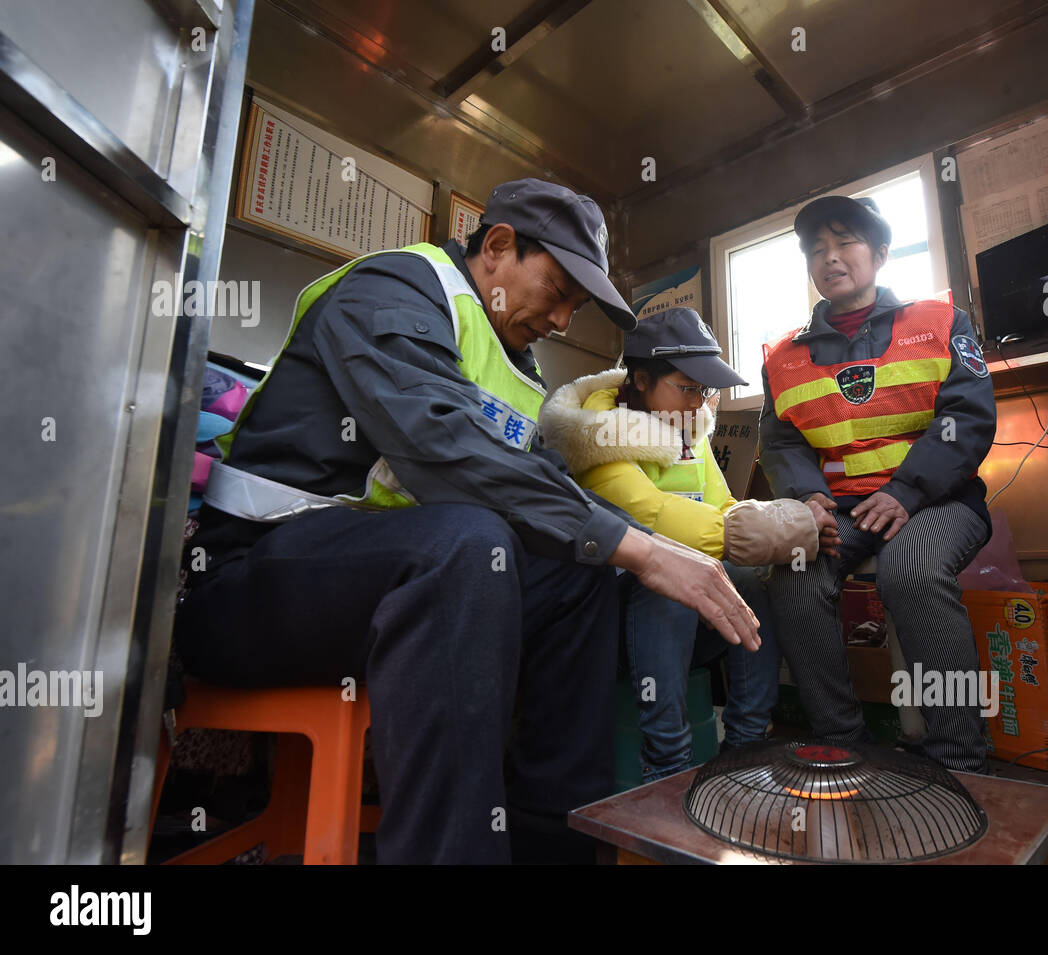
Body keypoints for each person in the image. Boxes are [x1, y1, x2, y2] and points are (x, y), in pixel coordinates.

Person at [174, 178, 761, 864]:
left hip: (382, 596)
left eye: (577, 305)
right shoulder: (393, 289)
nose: (565, 320)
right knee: (465, 543)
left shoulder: (518, 369)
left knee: (581, 570)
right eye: (560, 290)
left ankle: (553, 847)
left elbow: (547, 489)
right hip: (248, 586)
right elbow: (441, 446)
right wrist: (645, 550)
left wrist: (652, 549)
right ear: (500, 246)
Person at [760, 195, 997, 773]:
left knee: (910, 567)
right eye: (817, 249)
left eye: (845, 243)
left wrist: (907, 490)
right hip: (841, 508)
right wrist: (807, 496)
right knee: (792, 573)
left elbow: (967, 418)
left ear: (881, 253)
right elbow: (783, 440)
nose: (830, 258)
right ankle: (843, 743)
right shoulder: (783, 357)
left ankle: (960, 755)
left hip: (936, 501)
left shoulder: (940, 323)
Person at [539, 308, 823, 781]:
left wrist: (772, 527)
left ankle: (746, 745)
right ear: (643, 379)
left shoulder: (691, 429)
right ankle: (666, 763)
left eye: (705, 390)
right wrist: (769, 530)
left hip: (682, 607)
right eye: (687, 387)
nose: (698, 403)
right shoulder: (595, 432)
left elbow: (725, 503)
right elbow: (649, 515)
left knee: (754, 577)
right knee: (672, 577)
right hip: (609, 612)